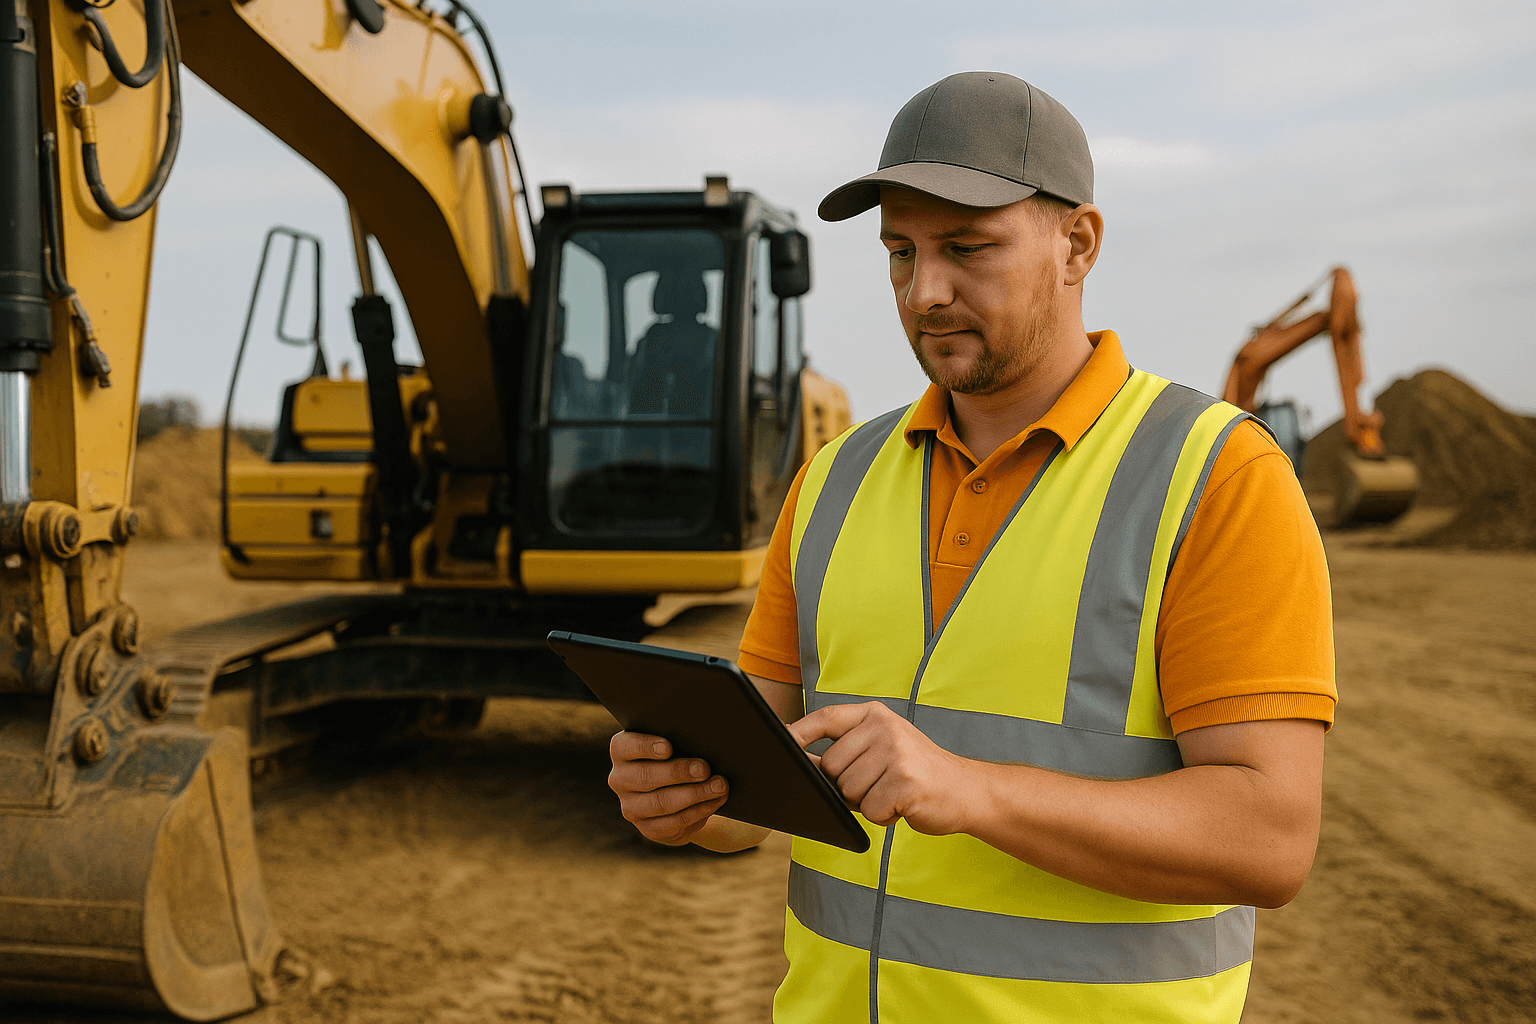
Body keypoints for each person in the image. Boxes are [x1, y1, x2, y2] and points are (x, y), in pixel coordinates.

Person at [608, 71, 1335, 1024]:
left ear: (1077, 244)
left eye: (967, 247)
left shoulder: (1216, 478)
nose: (924, 292)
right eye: (899, 252)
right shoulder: (833, 481)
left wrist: (971, 790)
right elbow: (759, 799)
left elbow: (1269, 841)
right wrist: (687, 801)